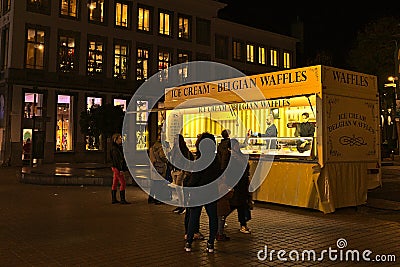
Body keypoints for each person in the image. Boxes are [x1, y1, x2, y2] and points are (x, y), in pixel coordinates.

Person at [184, 132, 221, 253]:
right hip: (211, 191)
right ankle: (210, 243)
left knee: (194, 216)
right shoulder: (216, 160)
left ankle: (189, 242)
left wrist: (188, 186)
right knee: (212, 217)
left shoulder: (200, 159)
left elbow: (195, 178)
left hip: (198, 191)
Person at [227, 138, 252, 234]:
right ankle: (242, 224)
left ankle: (242, 223)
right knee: (237, 204)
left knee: (239, 204)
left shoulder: (240, 156)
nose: (237, 147)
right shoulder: (231, 157)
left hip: (242, 183)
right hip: (237, 184)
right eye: (235, 145)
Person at [170, 134, 194, 214]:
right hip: (175, 170)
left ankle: (182, 205)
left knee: (179, 188)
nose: (175, 141)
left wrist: (184, 170)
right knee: (177, 189)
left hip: (181, 171)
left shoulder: (183, 149)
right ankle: (181, 204)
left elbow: (187, 160)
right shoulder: (174, 149)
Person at [149, 131, 170, 204]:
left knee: (154, 183)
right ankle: (157, 199)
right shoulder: (161, 146)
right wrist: (167, 160)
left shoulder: (154, 145)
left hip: (154, 166)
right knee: (159, 183)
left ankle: (151, 198)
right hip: (160, 166)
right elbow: (162, 156)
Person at [110, 133, 130, 204]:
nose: (121, 140)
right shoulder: (115, 149)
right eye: (120, 138)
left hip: (115, 167)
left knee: (115, 182)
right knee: (123, 183)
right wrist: (120, 169)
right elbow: (117, 160)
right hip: (117, 167)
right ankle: (122, 199)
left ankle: (114, 199)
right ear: (116, 140)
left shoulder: (117, 148)